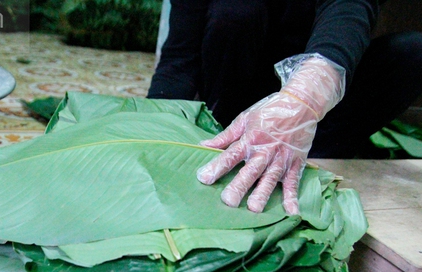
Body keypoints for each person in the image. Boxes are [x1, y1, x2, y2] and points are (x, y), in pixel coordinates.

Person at [148, 0, 422, 215]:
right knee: (236, 11)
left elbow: (348, 11)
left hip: (315, 103)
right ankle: (235, 147)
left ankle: (311, 155)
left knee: (413, 53)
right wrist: (148, 133)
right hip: (238, 96)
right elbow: (179, 61)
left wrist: (302, 100)